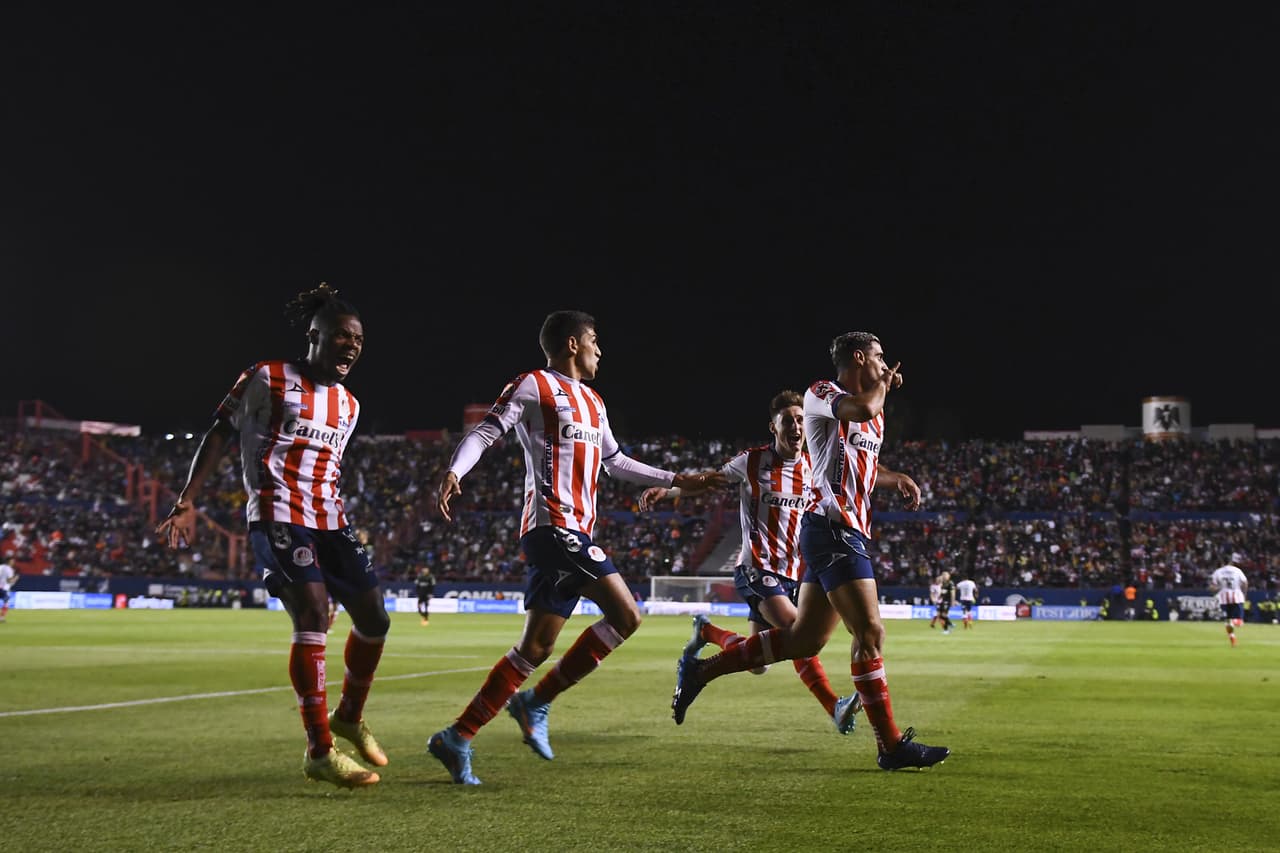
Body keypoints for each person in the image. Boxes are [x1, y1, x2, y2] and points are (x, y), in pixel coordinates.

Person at [427, 309, 724, 785]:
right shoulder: (534, 385)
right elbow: (488, 430)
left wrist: (676, 480)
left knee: (535, 647)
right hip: (551, 528)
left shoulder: (594, 402)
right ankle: (536, 702)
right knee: (627, 616)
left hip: (578, 533)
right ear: (571, 344)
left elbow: (616, 461)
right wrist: (454, 471)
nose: (599, 349)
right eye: (594, 341)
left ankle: (457, 737)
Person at [671, 330, 950, 771]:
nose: (884, 364)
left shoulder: (871, 416)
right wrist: (884, 384)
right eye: (879, 357)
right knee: (871, 633)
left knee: (805, 640)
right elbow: (865, 406)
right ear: (859, 358)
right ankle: (891, 746)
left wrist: (898, 479)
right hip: (831, 531)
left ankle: (702, 671)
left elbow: (866, 468)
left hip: (846, 533)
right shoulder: (823, 393)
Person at [156, 283, 390, 789]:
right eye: (342, 336)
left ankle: (349, 716)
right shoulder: (267, 377)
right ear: (315, 335)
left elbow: (327, 468)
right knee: (312, 613)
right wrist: (188, 499)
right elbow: (219, 432)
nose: (352, 345)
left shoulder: (349, 405)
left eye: (359, 339)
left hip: (332, 519)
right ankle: (320, 750)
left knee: (375, 619)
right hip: (279, 513)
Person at [640, 390, 862, 736]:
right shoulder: (752, 462)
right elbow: (710, 480)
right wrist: (669, 491)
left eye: (801, 420)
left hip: (794, 575)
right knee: (796, 631)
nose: (796, 426)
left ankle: (707, 632)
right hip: (757, 570)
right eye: (787, 420)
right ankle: (833, 706)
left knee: (759, 663)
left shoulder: (814, 467)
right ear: (773, 427)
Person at [1209, 557, 1248, 647]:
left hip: (1224, 599)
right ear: (1231, 561)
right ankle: (1232, 626)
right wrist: (1244, 594)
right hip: (1237, 597)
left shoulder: (1217, 572)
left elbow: (1212, 587)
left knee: (1227, 621)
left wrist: (1218, 589)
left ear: (1222, 562)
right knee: (1239, 622)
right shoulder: (1237, 570)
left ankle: (1232, 638)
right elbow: (1245, 582)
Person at [0, 556, 17, 622]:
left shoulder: (0, 566)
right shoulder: (9, 569)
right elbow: (9, 581)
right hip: (3, 588)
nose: (13, 562)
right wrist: (15, 579)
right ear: (9, 561)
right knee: (6, 603)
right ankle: (1, 618)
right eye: (12, 561)